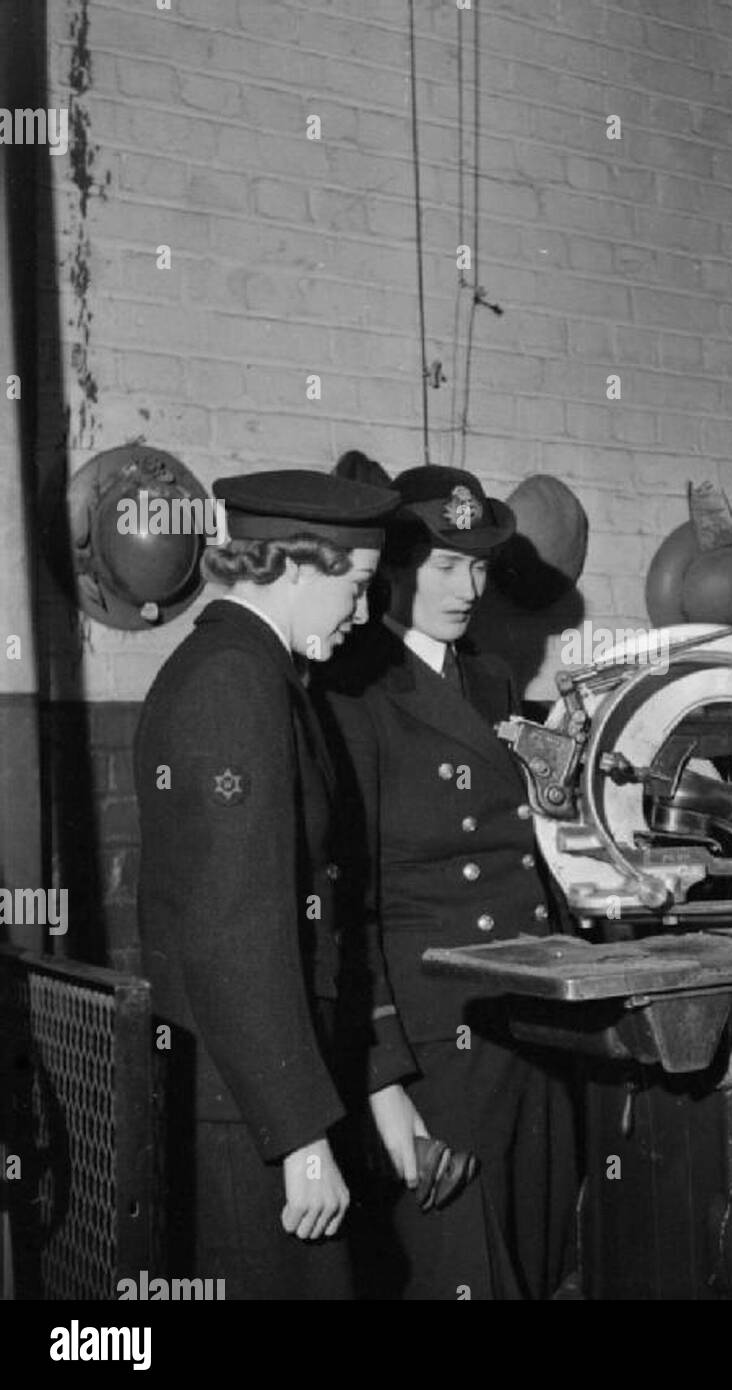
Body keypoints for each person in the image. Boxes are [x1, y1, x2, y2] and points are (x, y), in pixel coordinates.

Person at [135, 469, 427, 1300]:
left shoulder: (254, 669)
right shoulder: (236, 682)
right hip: (254, 1103)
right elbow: (233, 930)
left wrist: (373, 1082)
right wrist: (301, 1139)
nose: (363, 613)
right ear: (297, 568)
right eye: (358, 587)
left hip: (263, 1087)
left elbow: (316, 914)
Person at [317, 464, 576, 1301]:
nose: (467, 588)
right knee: (460, 1273)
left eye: (478, 566)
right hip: (438, 1040)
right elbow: (345, 907)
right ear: (391, 567)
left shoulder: (492, 679)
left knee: (536, 1258)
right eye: (442, 566)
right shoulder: (351, 688)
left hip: (525, 1018)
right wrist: (384, 1079)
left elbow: (523, 847)